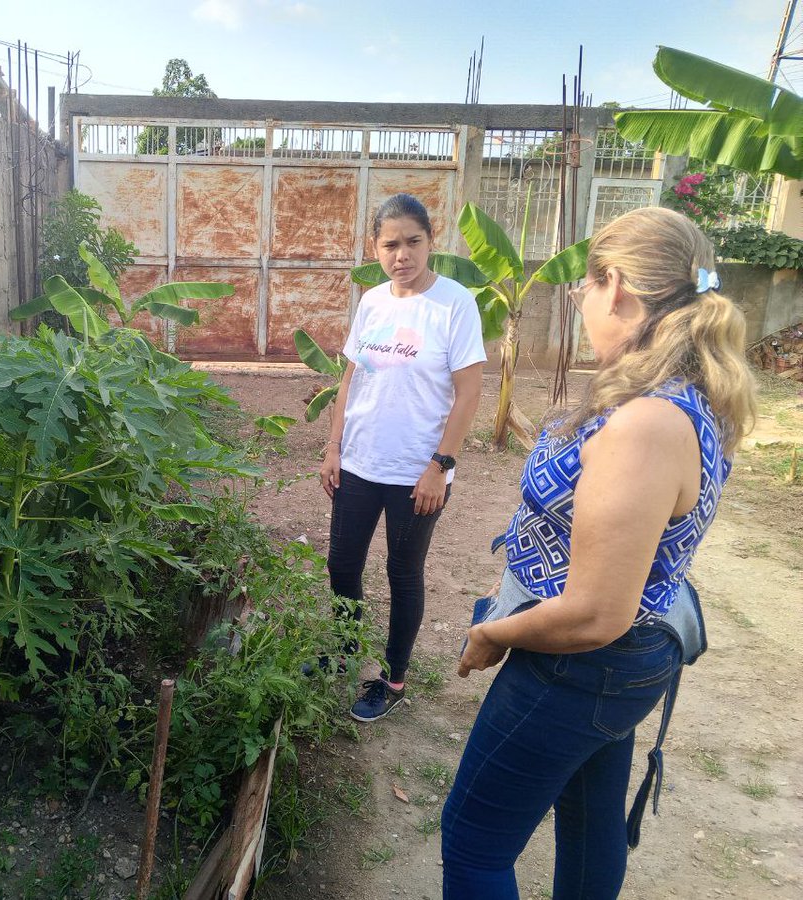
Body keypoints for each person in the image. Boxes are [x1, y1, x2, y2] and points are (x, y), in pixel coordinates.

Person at [442, 206, 757, 899]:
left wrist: (494, 633)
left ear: (615, 286)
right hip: (618, 660)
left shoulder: (646, 424)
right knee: (589, 824)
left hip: (583, 662)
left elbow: (594, 614)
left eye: (584, 284)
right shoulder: (679, 395)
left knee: (473, 844)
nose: (581, 298)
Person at [320, 193, 485, 723]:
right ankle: (344, 652)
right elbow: (350, 379)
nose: (402, 255)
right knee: (342, 563)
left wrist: (441, 466)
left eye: (413, 241)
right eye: (390, 244)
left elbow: (469, 392)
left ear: (431, 241)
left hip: (418, 472)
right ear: (375, 247)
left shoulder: (454, 303)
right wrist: (333, 447)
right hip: (359, 463)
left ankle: (392, 680)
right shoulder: (372, 302)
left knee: (402, 572)